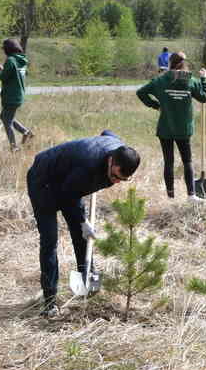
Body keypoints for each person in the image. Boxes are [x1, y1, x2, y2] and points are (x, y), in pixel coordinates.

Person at [27, 131, 140, 317]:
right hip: (44, 181)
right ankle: (49, 303)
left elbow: (107, 133)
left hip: (71, 181)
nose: (118, 182)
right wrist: (83, 221)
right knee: (50, 241)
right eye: (116, 176)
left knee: (82, 236)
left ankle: (86, 283)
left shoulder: (117, 148)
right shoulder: (87, 165)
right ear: (111, 161)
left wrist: (82, 225)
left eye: (123, 180)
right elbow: (67, 195)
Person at [136, 51, 206, 199]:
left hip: (165, 128)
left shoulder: (161, 80)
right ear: (183, 64)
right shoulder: (190, 80)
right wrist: (203, 80)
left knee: (168, 162)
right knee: (187, 161)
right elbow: (203, 97)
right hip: (183, 128)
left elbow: (141, 92)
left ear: (170, 63)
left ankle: (170, 196)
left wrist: (155, 105)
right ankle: (191, 195)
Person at [0, 38, 35, 151]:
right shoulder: (21, 59)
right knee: (5, 117)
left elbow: (3, 77)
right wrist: (2, 68)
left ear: (7, 49)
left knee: (7, 122)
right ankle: (26, 132)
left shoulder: (10, 60)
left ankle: (14, 147)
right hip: (18, 95)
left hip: (10, 96)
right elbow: (13, 73)